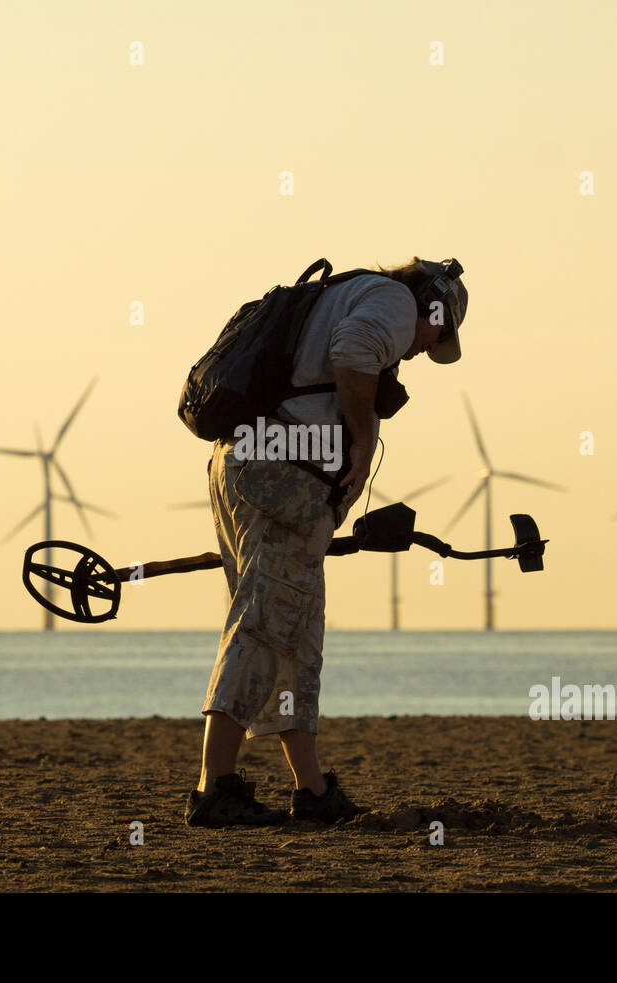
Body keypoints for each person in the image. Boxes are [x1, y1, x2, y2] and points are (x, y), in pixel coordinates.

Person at [184, 258, 469, 827]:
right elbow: (356, 349)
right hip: (283, 474)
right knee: (264, 625)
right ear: (433, 308)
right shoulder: (390, 302)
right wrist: (362, 442)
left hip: (250, 467)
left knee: (293, 632)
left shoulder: (344, 293)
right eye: (438, 334)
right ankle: (214, 786)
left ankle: (311, 790)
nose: (422, 352)